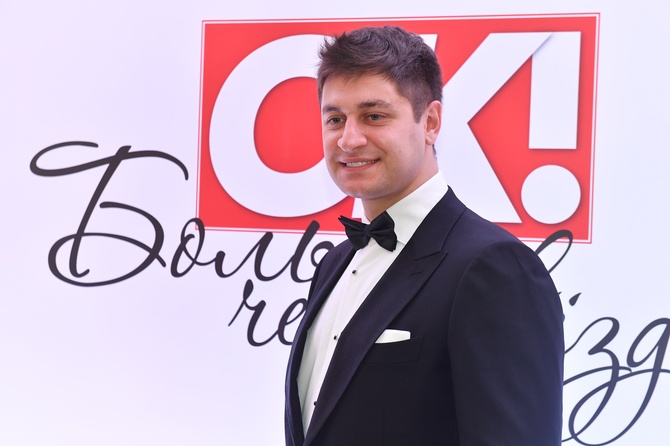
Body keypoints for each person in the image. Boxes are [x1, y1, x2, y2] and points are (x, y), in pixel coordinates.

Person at [284, 25, 564, 446]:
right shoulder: (334, 263)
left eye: (374, 116)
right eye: (335, 119)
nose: (349, 139)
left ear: (430, 122)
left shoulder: (494, 268)